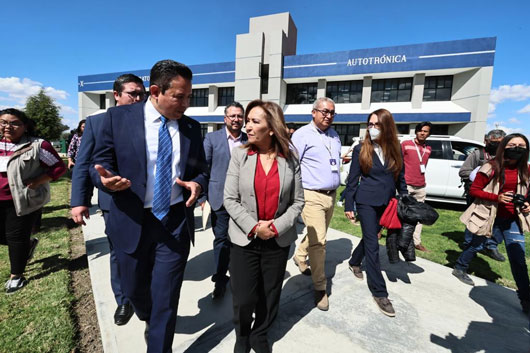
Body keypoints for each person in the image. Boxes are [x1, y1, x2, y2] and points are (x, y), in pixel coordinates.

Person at [92, 60, 208, 353]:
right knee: (135, 292)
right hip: (131, 221)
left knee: (166, 297)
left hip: (173, 223)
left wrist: (198, 185)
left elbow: (201, 171)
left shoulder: (192, 128)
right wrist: (105, 182)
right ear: (155, 91)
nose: (186, 104)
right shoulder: (117, 119)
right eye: (179, 97)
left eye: (189, 97)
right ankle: (148, 316)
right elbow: (98, 164)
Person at [224, 99, 304, 353]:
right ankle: (242, 335)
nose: (247, 126)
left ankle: (260, 334)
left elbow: (298, 201)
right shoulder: (240, 155)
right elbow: (229, 198)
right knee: (244, 296)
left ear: (271, 128)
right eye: (247, 120)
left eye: (254, 121)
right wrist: (254, 227)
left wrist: (276, 227)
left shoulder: (290, 159)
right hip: (244, 239)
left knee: (269, 294)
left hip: (277, 240)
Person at [70, 74, 146, 326]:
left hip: (147, 201)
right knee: (120, 252)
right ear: (116, 95)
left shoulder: (151, 120)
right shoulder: (98, 122)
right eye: (132, 94)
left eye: (141, 94)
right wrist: (79, 201)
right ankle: (124, 300)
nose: (137, 98)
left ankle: (145, 294)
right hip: (114, 202)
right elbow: (83, 165)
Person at [453, 133, 530, 312]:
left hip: (512, 219)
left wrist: (527, 204)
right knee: (477, 245)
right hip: (489, 215)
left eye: (521, 145)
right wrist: (497, 197)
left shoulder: (526, 169)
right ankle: (460, 267)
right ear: (504, 146)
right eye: (513, 144)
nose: (517, 148)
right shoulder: (490, 166)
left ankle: (526, 299)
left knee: (518, 258)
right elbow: (475, 190)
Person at [343, 108, 407, 317]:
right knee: (373, 243)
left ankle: (354, 261)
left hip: (387, 203)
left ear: (386, 126)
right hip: (366, 202)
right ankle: (380, 292)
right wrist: (349, 205)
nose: (372, 129)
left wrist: (404, 198)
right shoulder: (361, 148)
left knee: (369, 237)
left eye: (377, 125)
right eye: (370, 125)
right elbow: (352, 180)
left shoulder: (396, 148)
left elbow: (400, 178)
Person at [0, 108, 66, 293]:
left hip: (22, 200)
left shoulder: (38, 145)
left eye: (14, 123)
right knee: (5, 237)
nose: (8, 127)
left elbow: (58, 167)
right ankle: (28, 245)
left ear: (25, 126)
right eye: (4, 122)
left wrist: (38, 181)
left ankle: (16, 276)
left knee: (15, 237)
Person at [291, 97, 341, 311]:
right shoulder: (301, 135)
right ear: (313, 112)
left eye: (331, 112)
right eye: (324, 111)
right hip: (311, 195)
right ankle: (320, 288)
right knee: (319, 242)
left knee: (317, 236)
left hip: (331, 194)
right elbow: (292, 166)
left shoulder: (335, 135)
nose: (328, 115)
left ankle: (300, 255)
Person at [199, 101, 247, 299]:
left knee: (241, 241)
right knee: (221, 241)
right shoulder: (211, 138)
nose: (236, 119)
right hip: (219, 199)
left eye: (239, 116)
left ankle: (239, 278)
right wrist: (202, 197)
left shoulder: (249, 139)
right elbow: (203, 169)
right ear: (225, 118)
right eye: (232, 116)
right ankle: (219, 279)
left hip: (244, 201)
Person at [458, 129, 506, 261]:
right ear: (487, 141)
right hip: (476, 194)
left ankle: (490, 246)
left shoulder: (505, 158)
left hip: (497, 196)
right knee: (474, 219)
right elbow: (463, 171)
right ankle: (469, 244)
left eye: (500, 143)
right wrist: (481, 175)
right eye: (493, 142)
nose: (496, 145)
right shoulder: (477, 154)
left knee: (496, 220)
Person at [401, 121, 432, 252]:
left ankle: (416, 241)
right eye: (420, 130)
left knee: (419, 215)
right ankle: (382, 230)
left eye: (425, 131)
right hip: (406, 184)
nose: (422, 133)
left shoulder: (428, 149)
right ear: (416, 131)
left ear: (428, 134)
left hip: (420, 185)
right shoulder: (406, 144)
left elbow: (424, 165)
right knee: (398, 211)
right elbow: (397, 162)